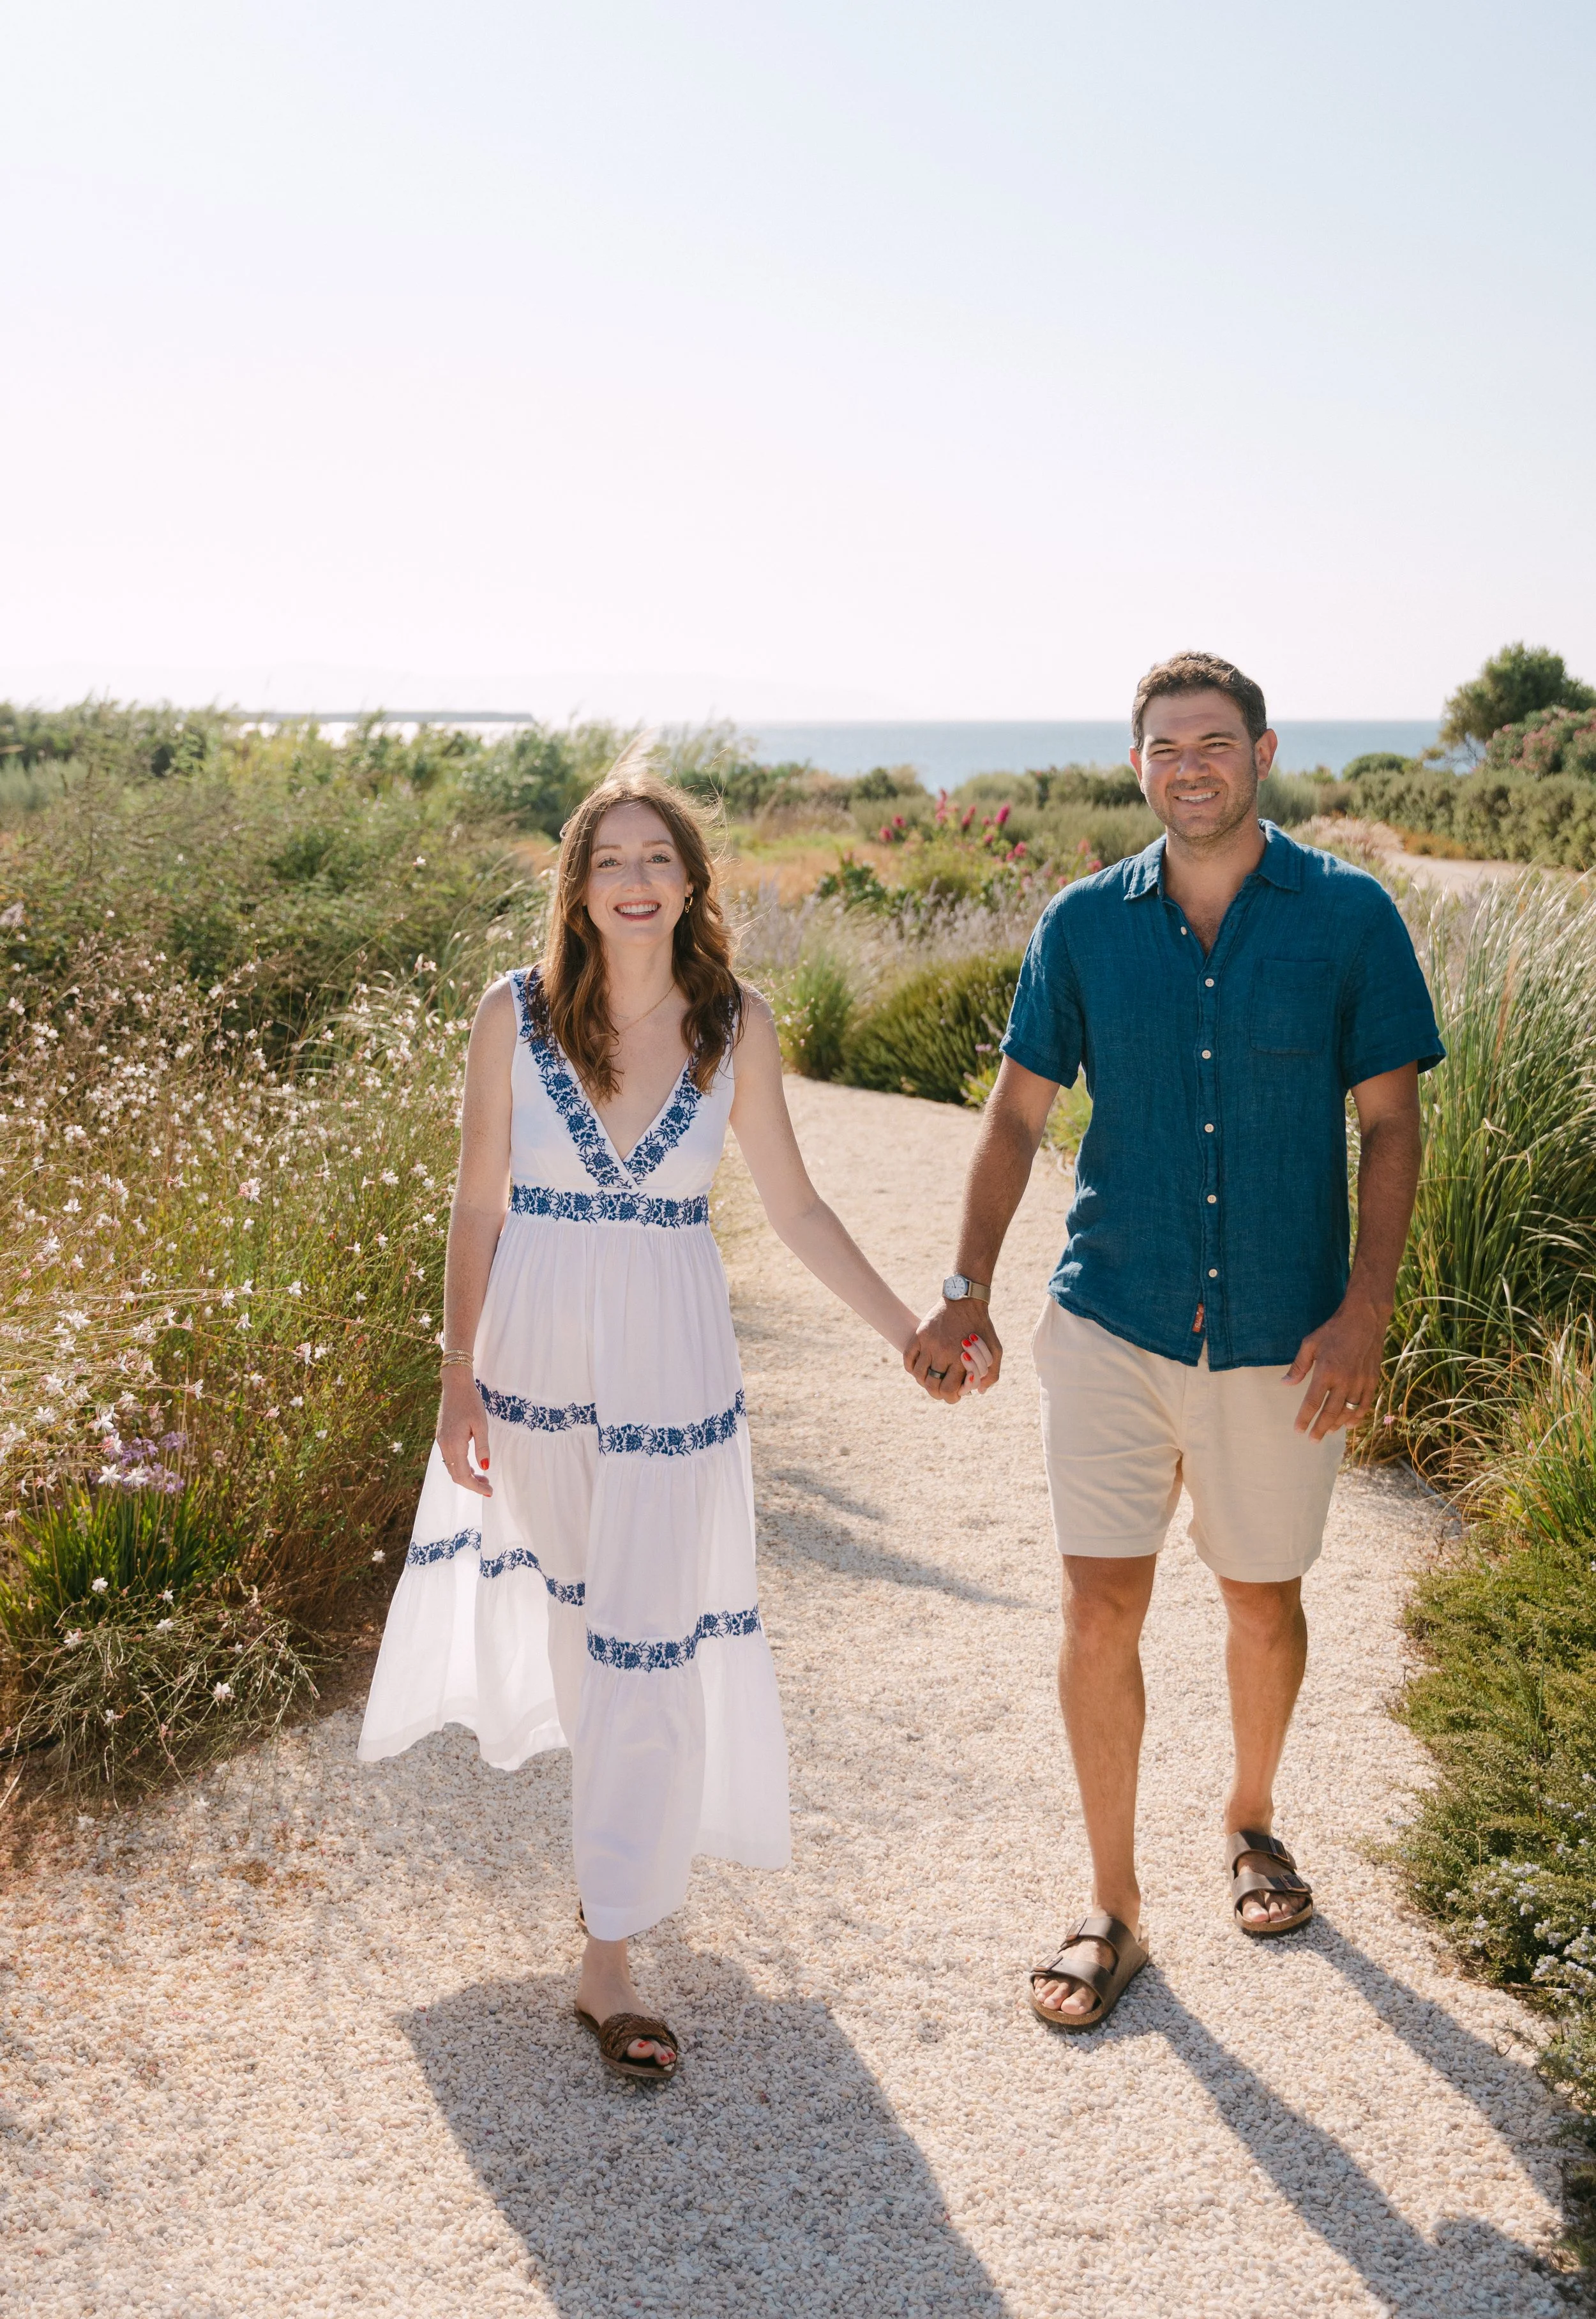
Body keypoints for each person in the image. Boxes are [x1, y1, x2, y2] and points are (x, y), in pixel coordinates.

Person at [359, 747, 982, 2085]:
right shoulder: (507, 1015)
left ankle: (608, 1957)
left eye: (658, 858)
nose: (634, 882)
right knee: (587, 1636)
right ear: (576, 886)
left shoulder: (734, 1022)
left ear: (692, 880)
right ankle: (617, 1883)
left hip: (672, 1364)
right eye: (609, 860)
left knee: (644, 1641)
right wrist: (453, 1370)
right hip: (531, 1355)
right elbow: (476, 1204)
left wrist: (905, 1334)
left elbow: (798, 1208)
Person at [906, 652, 1444, 2031]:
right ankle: (1111, 1905)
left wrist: (1364, 1310)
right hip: (1111, 1322)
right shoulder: (1082, 925)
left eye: (1214, 740)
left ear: (1261, 751)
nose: (1189, 764)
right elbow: (1015, 1118)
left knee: (1261, 1598)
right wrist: (964, 1284)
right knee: (1099, 1605)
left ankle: (1250, 1819)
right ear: (1134, 765)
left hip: (1282, 1339)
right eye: (1163, 746)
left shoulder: (1346, 917)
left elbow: (1390, 1122)